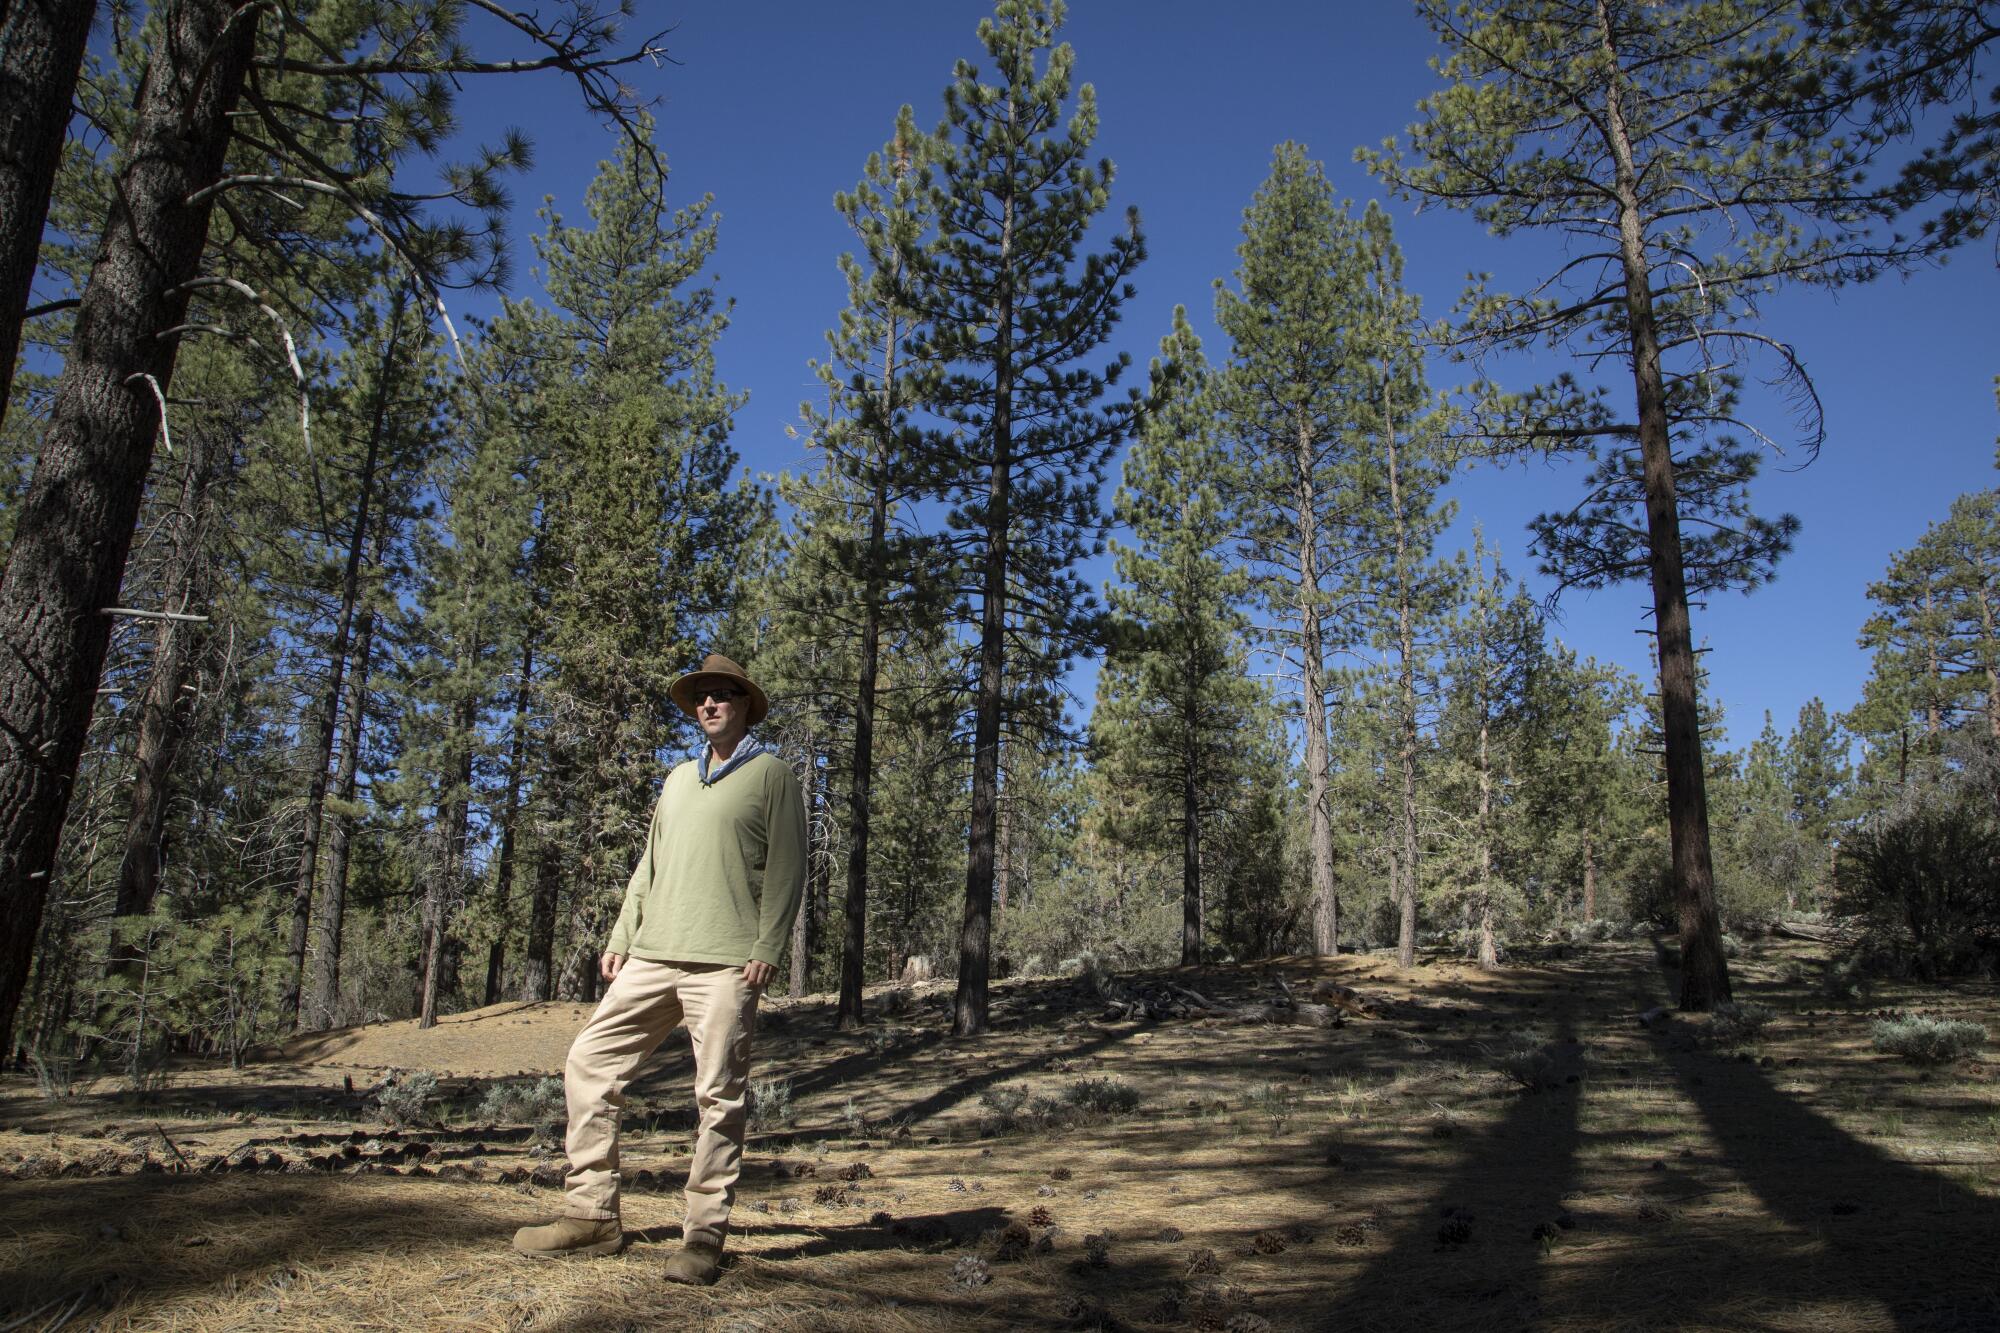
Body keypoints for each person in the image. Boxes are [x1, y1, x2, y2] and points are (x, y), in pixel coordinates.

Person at [511, 653, 806, 1286]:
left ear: (745, 706)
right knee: (590, 1061)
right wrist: (623, 933)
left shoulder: (773, 774)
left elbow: (787, 866)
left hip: (726, 964)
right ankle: (591, 1216)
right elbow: (649, 863)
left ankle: (702, 1236)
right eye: (702, 696)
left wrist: (767, 948)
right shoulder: (677, 779)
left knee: (718, 1095)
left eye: (723, 695)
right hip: (653, 952)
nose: (710, 704)